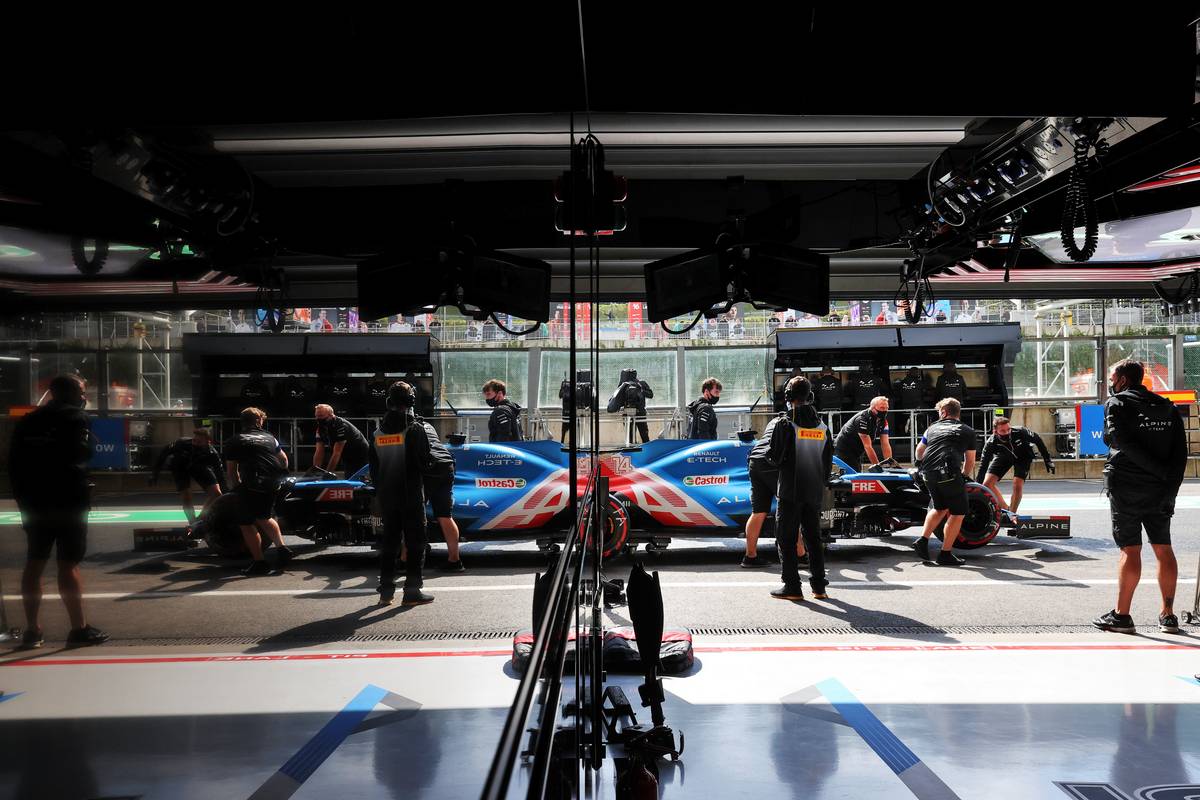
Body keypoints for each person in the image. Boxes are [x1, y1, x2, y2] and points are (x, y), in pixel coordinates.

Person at [9, 375, 108, 648]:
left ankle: (32, 630)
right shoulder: (76, 417)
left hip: (33, 500)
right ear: (76, 393)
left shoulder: (28, 421)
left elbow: (13, 463)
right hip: (67, 499)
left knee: (35, 561)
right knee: (68, 564)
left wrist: (23, 499)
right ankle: (79, 628)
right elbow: (81, 453)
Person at [1093, 359, 1187, 635]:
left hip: (1127, 487)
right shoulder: (1166, 406)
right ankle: (1168, 615)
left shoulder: (1117, 403)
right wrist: (1171, 487)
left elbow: (1118, 440)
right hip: (1162, 489)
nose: (1110, 382)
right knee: (1163, 546)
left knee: (1130, 549)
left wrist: (1154, 470)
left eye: (1112, 377)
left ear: (1122, 379)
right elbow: (1180, 453)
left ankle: (1122, 616)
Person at [765, 376, 832, 601]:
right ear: (810, 396)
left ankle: (792, 586)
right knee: (813, 538)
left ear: (788, 397)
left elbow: (773, 458)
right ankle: (819, 587)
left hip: (790, 491)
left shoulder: (785, 423)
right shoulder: (823, 427)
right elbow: (827, 462)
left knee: (786, 538)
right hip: (813, 491)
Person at [370, 381, 435, 606]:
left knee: (389, 544)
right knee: (416, 544)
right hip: (411, 498)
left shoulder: (377, 433)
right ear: (410, 402)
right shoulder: (415, 429)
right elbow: (427, 463)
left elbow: (374, 470)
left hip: (388, 499)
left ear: (389, 402)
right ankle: (412, 592)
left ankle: (386, 592)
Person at [224, 407, 293, 576]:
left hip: (252, 483)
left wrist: (237, 489)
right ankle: (282, 548)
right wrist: (280, 474)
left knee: (246, 523)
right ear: (258, 421)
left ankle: (260, 562)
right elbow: (283, 460)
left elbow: (232, 471)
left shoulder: (235, 440)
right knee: (265, 516)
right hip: (272, 482)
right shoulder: (270, 437)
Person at [911, 398, 977, 566]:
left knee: (939, 507)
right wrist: (964, 476)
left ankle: (923, 540)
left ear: (944, 412)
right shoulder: (967, 430)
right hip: (949, 474)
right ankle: (945, 554)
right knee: (958, 513)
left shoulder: (931, 428)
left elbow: (919, 451)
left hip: (927, 473)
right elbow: (970, 460)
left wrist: (920, 464)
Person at [975, 416, 1055, 519]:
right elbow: (983, 466)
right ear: (995, 432)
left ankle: (1012, 514)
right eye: (1003, 431)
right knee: (986, 483)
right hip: (1004, 456)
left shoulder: (1020, 431)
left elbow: (1037, 439)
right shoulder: (990, 443)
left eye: (1008, 429)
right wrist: (977, 486)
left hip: (1023, 456)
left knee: (1017, 484)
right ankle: (1006, 510)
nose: (1007, 432)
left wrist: (1047, 460)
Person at [151, 428, 224, 533]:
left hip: (199, 466)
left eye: (199, 442)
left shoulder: (212, 454)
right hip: (180, 467)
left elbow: (220, 475)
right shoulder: (181, 443)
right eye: (194, 440)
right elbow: (163, 453)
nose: (195, 443)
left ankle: (200, 519)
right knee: (187, 496)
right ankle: (192, 523)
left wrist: (228, 492)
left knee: (217, 493)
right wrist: (155, 474)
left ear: (208, 442)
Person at [742, 408, 787, 568]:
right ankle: (801, 555)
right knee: (790, 508)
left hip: (755, 460)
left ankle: (750, 556)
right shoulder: (793, 422)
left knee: (758, 511)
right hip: (771, 462)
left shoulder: (773, 421)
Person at [833, 396, 892, 472]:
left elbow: (885, 444)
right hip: (844, 448)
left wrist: (890, 464)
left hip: (858, 449)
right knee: (853, 473)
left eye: (887, 408)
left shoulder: (884, 422)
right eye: (882, 408)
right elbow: (867, 446)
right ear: (873, 408)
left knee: (857, 471)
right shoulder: (862, 419)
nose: (885, 410)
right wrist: (878, 468)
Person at [313, 404, 370, 478]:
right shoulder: (320, 428)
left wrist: (327, 474)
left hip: (361, 454)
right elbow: (319, 451)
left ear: (331, 415)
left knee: (357, 481)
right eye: (317, 416)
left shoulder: (341, 426)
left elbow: (337, 453)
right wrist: (314, 472)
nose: (319, 419)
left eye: (321, 416)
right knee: (349, 477)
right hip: (347, 455)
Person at [606, 369, 654, 444]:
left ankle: (647, 450)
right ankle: (631, 450)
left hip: (640, 412)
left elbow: (650, 395)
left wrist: (641, 390)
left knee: (644, 435)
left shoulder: (640, 383)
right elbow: (617, 399)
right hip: (628, 413)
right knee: (629, 436)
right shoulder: (624, 386)